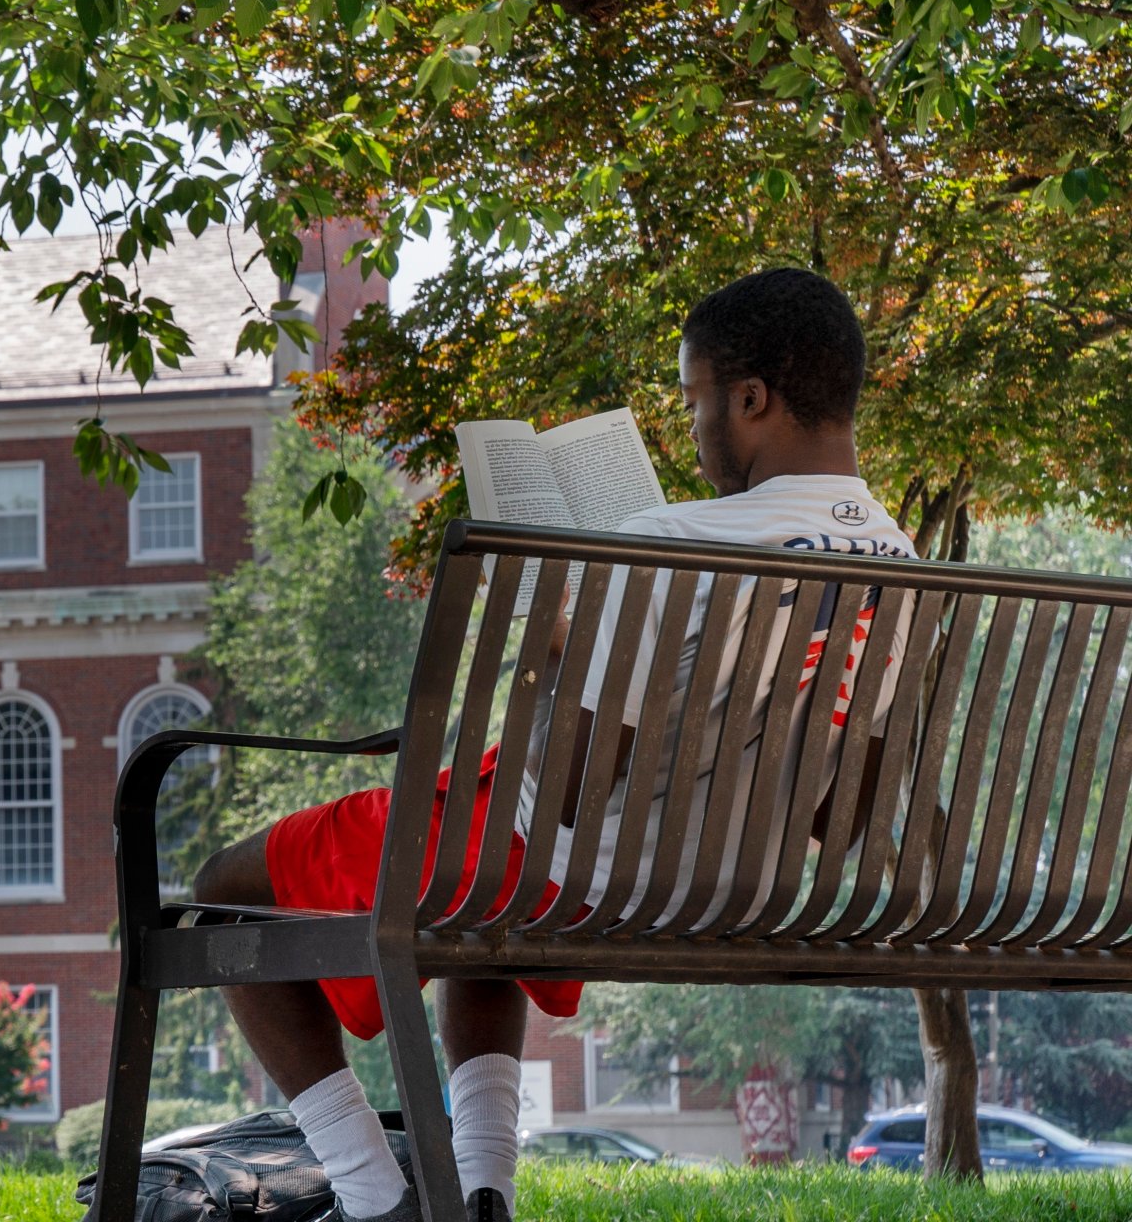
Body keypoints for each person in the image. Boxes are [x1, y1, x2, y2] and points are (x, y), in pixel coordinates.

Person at [191, 268, 917, 1222]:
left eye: (696, 403)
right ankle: (482, 1193)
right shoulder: (906, 569)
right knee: (486, 888)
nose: (696, 433)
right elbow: (847, 812)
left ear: (751, 400)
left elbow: (572, 788)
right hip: (737, 887)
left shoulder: (670, 542)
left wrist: (553, 650)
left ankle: (376, 1202)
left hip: (587, 865)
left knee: (224, 894)